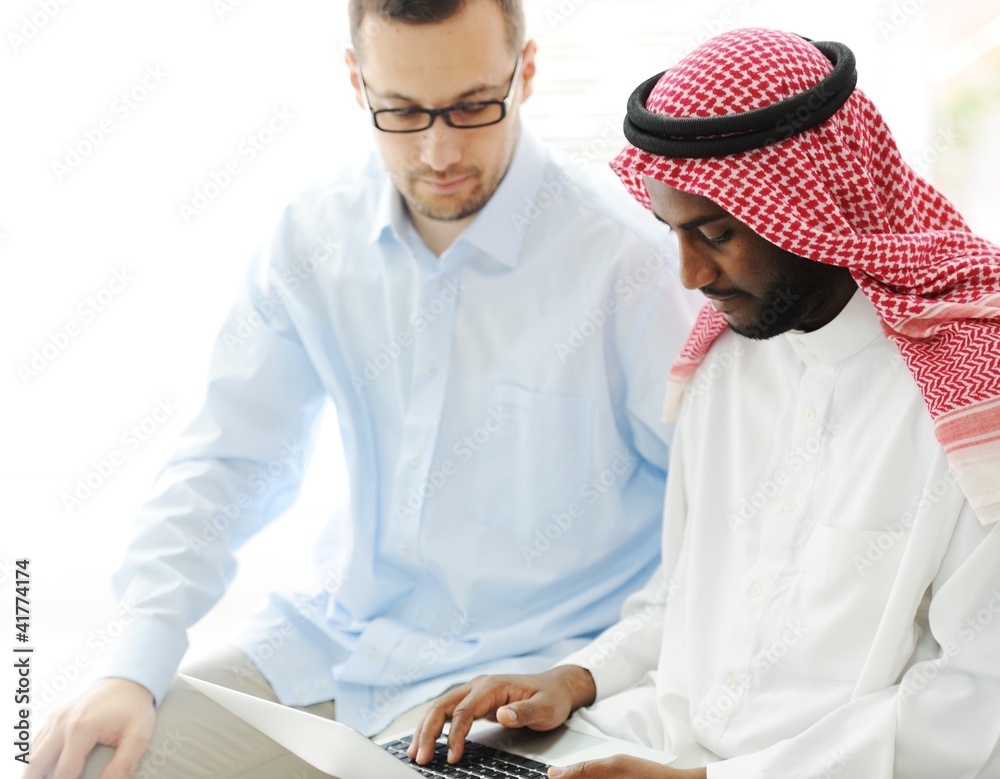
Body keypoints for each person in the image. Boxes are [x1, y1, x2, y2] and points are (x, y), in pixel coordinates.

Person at [24, 2, 701, 778]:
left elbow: (719, 524)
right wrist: (131, 663)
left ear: (529, 73)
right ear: (356, 81)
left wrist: (598, 670)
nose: (441, 149)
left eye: (475, 106)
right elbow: (229, 461)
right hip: (338, 647)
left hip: (528, 681)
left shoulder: (636, 266)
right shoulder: (312, 237)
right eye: (404, 112)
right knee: (81, 760)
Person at [408, 27, 1000, 779]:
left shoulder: (972, 395)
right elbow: (681, 600)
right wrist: (574, 679)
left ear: (813, 204)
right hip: (647, 739)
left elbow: (977, 702)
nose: (689, 275)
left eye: (715, 233)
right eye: (673, 232)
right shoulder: (725, 361)